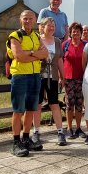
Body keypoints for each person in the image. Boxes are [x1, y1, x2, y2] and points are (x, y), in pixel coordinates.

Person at [8, 10, 49, 157]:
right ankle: (15, 142)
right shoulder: (15, 36)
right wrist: (35, 54)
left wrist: (29, 53)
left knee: (31, 109)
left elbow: (45, 55)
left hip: (34, 76)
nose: (28, 21)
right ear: (20, 20)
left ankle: (26, 138)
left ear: (35, 20)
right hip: (20, 75)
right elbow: (18, 56)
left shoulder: (37, 36)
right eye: (25, 18)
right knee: (18, 110)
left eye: (31, 18)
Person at [33, 17, 67, 146]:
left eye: (53, 26)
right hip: (38, 76)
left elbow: (59, 60)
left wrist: (63, 77)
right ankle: (36, 132)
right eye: (49, 26)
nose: (52, 28)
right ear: (42, 27)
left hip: (52, 77)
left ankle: (60, 132)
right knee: (38, 104)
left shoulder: (57, 41)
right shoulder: (37, 39)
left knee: (54, 103)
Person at [62, 22, 86, 139]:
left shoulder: (86, 45)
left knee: (79, 103)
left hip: (82, 79)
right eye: (73, 31)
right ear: (70, 33)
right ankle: (69, 128)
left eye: (78, 31)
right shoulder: (65, 45)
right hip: (68, 79)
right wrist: (61, 77)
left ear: (81, 33)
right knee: (69, 104)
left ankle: (78, 128)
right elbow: (60, 61)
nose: (76, 33)